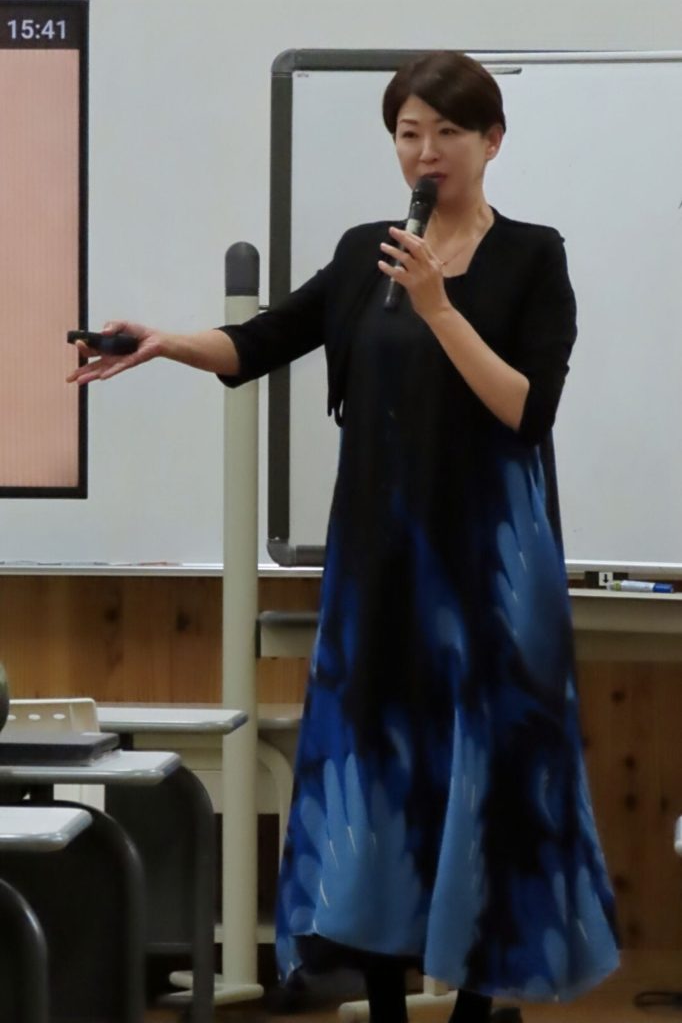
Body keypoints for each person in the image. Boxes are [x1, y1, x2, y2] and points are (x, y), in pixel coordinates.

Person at [68, 50, 619, 1023]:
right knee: (375, 773)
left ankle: (475, 1004)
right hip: (380, 557)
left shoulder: (534, 256)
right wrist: (161, 342)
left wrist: (439, 307)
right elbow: (261, 341)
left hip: (489, 568)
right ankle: (383, 999)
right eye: (408, 133)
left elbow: (524, 408)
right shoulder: (370, 250)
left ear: (492, 141)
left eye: (447, 132)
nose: (426, 151)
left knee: (485, 777)